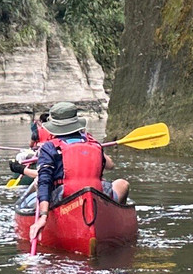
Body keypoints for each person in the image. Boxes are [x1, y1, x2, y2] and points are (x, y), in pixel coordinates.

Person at [27, 102, 129, 243]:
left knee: (39, 184)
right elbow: (111, 165)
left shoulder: (49, 148)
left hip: (65, 197)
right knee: (123, 184)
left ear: (54, 127)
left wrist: (43, 216)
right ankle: (115, 222)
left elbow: (45, 181)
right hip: (97, 193)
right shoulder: (94, 144)